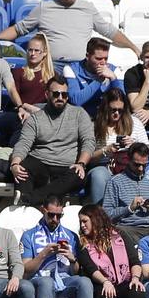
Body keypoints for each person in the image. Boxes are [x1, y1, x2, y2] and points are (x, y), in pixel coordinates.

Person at [0, 0, 138, 66]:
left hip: (81, 67)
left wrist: (134, 48)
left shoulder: (87, 8)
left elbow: (110, 31)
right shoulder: (44, 8)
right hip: (52, 66)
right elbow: (18, 29)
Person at [11, 78, 96, 208]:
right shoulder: (35, 118)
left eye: (64, 94)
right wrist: (15, 164)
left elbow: (88, 141)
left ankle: (28, 201)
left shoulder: (79, 113)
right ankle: (27, 207)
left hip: (67, 165)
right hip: (41, 161)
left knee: (78, 175)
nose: (60, 97)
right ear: (47, 94)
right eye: (56, 94)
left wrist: (81, 163)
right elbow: (23, 143)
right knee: (22, 167)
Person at [22, 193, 96, 298]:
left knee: (85, 282)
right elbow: (25, 269)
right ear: (43, 210)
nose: (55, 219)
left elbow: (74, 272)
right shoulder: (29, 235)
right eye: (51, 215)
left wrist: (72, 259)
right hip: (39, 281)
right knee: (46, 281)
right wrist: (43, 254)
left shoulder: (71, 236)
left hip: (64, 282)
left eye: (59, 215)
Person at [76, 204, 147, 298]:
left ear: (95, 219)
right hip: (100, 283)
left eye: (85, 221)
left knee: (137, 291)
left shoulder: (119, 235)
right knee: (104, 293)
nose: (82, 225)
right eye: (80, 222)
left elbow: (134, 260)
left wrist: (135, 278)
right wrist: (105, 282)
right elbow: (90, 268)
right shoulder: (83, 243)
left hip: (123, 282)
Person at [88, 91, 149, 207]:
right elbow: (88, 157)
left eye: (120, 110)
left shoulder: (134, 123)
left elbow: (147, 151)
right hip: (104, 167)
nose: (117, 113)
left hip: (129, 166)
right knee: (99, 174)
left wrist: (134, 146)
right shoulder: (94, 126)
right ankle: (100, 214)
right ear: (105, 108)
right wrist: (106, 150)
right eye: (113, 110)